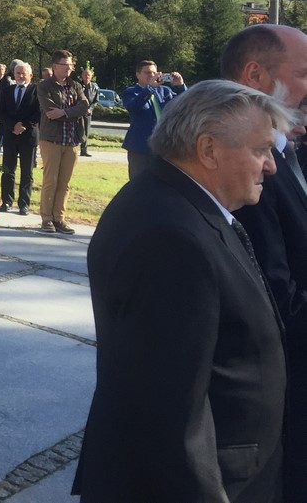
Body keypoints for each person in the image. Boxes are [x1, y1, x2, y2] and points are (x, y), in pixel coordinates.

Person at [74, 80, 288, 502]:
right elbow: (171, 412)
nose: (271, 166)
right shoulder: (172, 236)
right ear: (208, 150)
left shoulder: (176, 203)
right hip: (213, 482)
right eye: (261, 150)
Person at [222, 24, 307, 499]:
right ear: (256, 75)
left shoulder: (284, 150)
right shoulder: (239, 171)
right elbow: (277, 303)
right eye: (304, 74)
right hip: (279, 413)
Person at [35, 50, 89, 234]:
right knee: (50, 180)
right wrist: (73, 112)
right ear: (55, 66)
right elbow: (51, 111)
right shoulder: (44, 86)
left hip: (72, 140)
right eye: (65, 64)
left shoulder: (76, 86)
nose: (69, 68)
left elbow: (84, 106)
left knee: (65, 183)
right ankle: (47, 219)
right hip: (51, 140)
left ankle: (59, 218)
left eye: (70, 65)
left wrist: (65, 112)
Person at [121, 60, 186, 178]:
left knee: (163, 182)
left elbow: (184, 105)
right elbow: (134, 107)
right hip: (140, 148)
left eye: (154, 73)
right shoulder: (130, 92)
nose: (151, 75)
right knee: (139, 182)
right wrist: (149, 88)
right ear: (137, 74)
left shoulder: (165, 91)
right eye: (147, 73)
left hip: (163, 147)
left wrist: (180, 87)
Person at [0, 61, 38, 216]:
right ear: (13, 74)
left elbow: (39, 112)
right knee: (8, 170)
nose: (20, 76)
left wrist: (24, 125)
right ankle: (6, 201)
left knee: (27, 172)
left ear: (30, 75)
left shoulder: (36, 91)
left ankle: (24, 204)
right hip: (10, 135)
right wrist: (13, 126)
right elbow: (1, 112)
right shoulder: (7, 90)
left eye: (23, 73)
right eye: (18, 73)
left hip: (28, 136)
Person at [78, 68, 100, 157]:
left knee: (86, 131)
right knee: (77, 130)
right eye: (85, 75)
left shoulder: (95, 87)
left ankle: (84, 150)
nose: (86, 77)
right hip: (78, 112)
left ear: (91, 77)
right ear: (82, 76)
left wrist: (90, 108)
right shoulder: (78, 86)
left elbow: (96, 100)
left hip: (88, 113)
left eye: (88, 75)